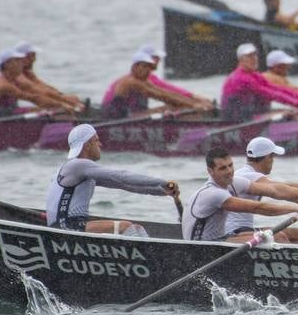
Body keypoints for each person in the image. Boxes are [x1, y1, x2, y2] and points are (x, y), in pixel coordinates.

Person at [46, 123, 178, 236]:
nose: (100, 144)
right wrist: (163, 182)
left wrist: (162, 191)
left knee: (137, 228)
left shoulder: (79, 170)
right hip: (66, 227)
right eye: (97, 140)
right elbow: (122, 175)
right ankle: (148, 260)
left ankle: (149, 257)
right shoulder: (78, 165)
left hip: (70, 225)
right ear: (87, 145)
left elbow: (124, 184)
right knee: (126, 227)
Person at [183, 146, 298, 242]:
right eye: (223, 168)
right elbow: (258, 208)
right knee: (278, 238)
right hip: (204, 247)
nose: (229, 171)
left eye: (230, 165)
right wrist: (297, 208)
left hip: (223, 239)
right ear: (210, 171)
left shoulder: (234, 181)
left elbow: (275, 190)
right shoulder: (212, 194)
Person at [225, 136, 298, 245]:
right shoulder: (248, 175)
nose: (273, 161)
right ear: (268, 157)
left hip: (246, 230)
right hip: (232, 233)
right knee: (279, 237)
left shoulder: (252, 175)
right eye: (273, 157)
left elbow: (287, 189)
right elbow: (281, 191)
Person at [101, 49, 213, 119]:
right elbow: (161, 96)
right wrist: (194, 105)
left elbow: (166, 93)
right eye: (145, 67)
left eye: (150, 68)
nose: (148, 71)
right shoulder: (131, 82)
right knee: (175, 108)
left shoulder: (143, 81)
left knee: (175, 107)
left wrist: (193, 102)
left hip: (130, 116)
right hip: (117, 119)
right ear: (135, 67)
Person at [219, 42, 298, 121]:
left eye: (255, 55)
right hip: (237, 119)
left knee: (295, 113)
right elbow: (270, 94)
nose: (254, 59)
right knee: (292, 115)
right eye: (249, 56)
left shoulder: (255, 75)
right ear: (240, 60)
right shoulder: (240, 78)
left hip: (252, 114)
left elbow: (277, 89)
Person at [0, 48, 75, 117]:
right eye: (17, 60)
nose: (22, 63)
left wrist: (64, 100)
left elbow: (37, 91)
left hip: (8, 112)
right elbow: (33, 98)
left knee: (49, 109)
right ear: (7, 64)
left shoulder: (13, 78)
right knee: (50, 112)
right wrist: (62, 105)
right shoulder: (2, 84)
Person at [133, 44, 213, 110]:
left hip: (137, 114)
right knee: (176, 106)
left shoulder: (145, 77)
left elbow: (167, 91)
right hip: (132, 118)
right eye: (156, 58)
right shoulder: (140, 79)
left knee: (176, 105)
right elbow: (164, 94)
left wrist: (194, 99)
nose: (159, 60)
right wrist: (194, 102)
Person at [13, 43, 83, 112]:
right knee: (59, 110)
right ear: (23, 58)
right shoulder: (18, 76)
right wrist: (64, 102)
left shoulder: (28, 72)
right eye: (32, 56)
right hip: (8, 114)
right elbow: (39, 92)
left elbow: (44, 87)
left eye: (34, 56)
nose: (34, 59)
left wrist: (63, 96)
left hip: (14, 109)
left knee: (65, 104)